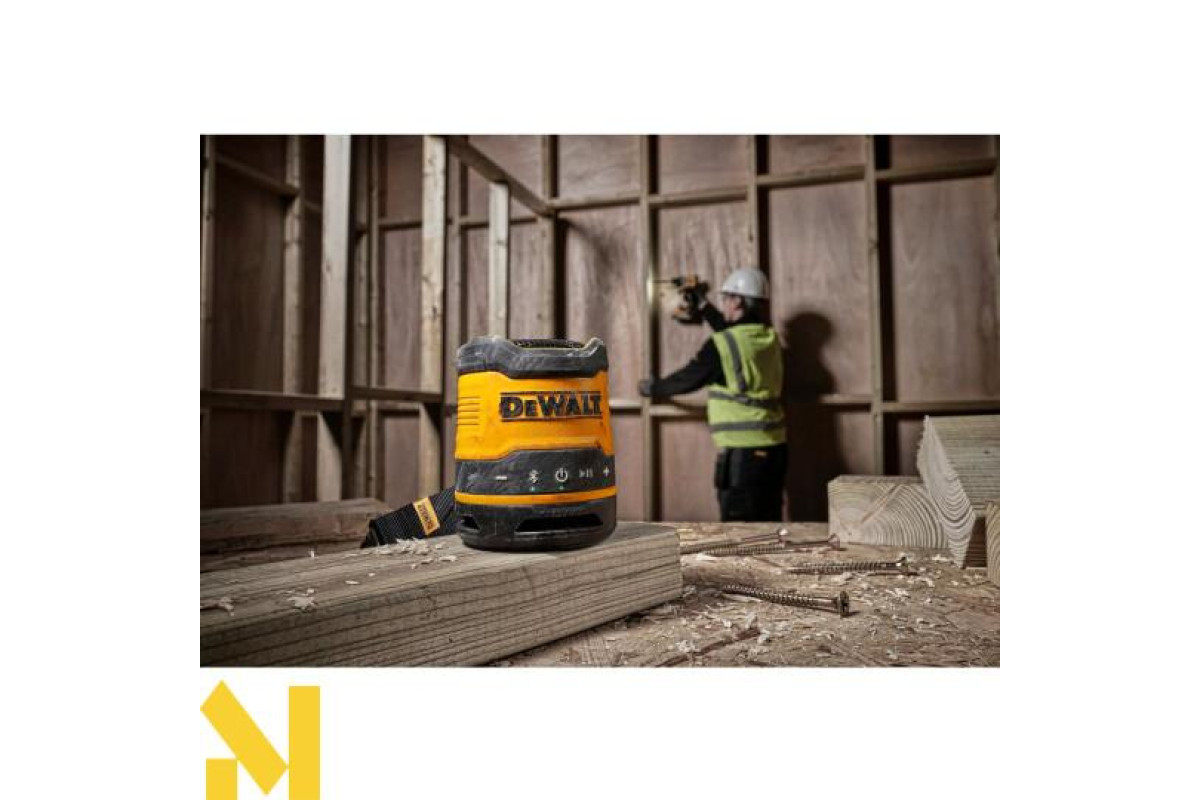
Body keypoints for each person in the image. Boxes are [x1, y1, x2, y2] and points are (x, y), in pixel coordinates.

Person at [638, 267, 787, 521]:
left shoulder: (722, 345)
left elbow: (689, 378)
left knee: (740, 528)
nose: (725, 304)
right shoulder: (768, 338)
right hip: (775, 447)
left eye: (727, 298)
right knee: (769, 521)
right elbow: (733, 332)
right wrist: (704, 306)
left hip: (743, 454)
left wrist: (653, 388)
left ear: (737, 301)